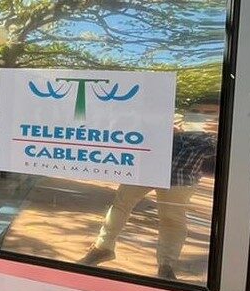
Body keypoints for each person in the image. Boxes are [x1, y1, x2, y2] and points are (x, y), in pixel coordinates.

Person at [78, 94, 221, 281]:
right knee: (120, 206)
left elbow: (212, 149)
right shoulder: (172, 120)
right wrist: (162, 130)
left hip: (180, 178)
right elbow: (136, 133)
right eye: (196, 111)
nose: (201, 115)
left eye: (209, 113)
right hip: (145, 170)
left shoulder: (219, 132)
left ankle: (166, 266)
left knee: (172, 219)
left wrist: (211, 133)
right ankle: (102, 248)